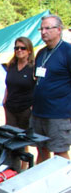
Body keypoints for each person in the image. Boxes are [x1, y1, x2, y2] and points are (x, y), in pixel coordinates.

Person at [32, 14, 71, 163]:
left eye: (47, 28)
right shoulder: (41, 53)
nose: (43, 32)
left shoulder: (67, 52)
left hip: (59, 115)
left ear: (59, 30)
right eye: (41, 29)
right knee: (41, 150)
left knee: (59, 154)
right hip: (39, 112)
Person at [3, 37, 35, 130]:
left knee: (23, 138)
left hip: (25, 109)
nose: (19, 50)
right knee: (10, 136)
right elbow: (8, 85)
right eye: (16, 48)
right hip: (10, 107)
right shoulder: (11, 66)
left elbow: (37, 87)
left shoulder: (33, 68)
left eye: (23, 48)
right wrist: (4, 100)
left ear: (29, 50)